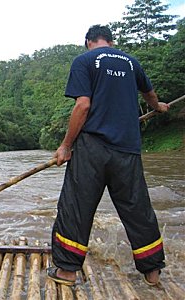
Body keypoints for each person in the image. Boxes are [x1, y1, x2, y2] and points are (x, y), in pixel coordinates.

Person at [48, 25, 169, 287]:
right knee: (137, 209)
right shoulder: (131, 62)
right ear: (111, 42)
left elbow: (83, 104)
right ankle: (152, 272)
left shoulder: (83, 60)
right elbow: (149, 94)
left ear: (87, 42)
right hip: (127, 149)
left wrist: (66, 145)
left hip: (92, 148)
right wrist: (157, 107)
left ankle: (67, 271)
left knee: (77, 207)